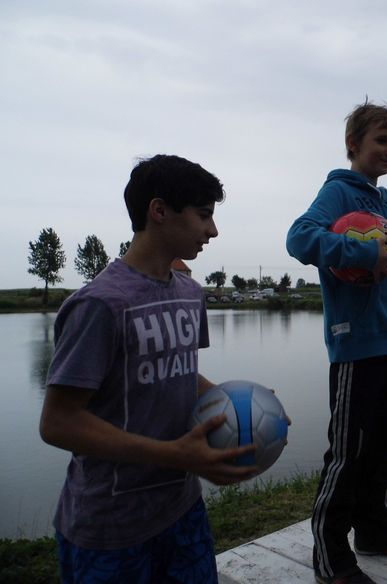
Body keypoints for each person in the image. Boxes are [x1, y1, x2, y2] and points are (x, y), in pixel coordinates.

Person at [39, 155, 257, 583]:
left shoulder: (190, 293)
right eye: (203, 215)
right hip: (110, 529)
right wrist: (174, 455)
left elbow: (179, 373)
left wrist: (242, 403)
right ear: (159, 211)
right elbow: (58, 422)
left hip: (182, 511)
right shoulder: (100, 304)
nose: (213, 230)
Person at [286, 100, 387, 584]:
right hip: (357, 346)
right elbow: (299, 239)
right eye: (381, 141)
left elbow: (383, 274)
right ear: (353, 144)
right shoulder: (338, 192)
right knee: (348, 452)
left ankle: (374, 531)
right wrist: (363, 252)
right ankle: (331, 558)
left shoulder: (385, 202)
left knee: (383, 446)